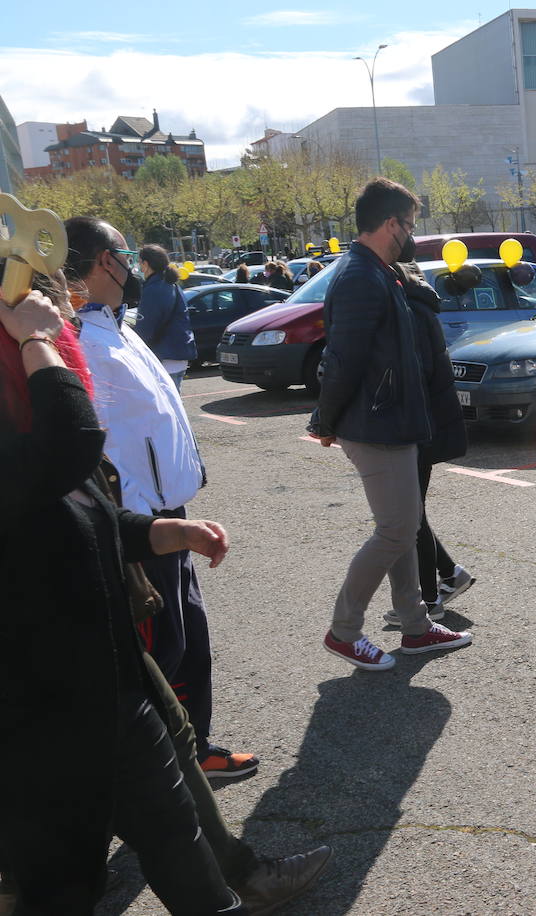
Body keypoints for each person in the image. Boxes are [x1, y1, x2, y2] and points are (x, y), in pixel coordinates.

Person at [0, 277, 248, 914]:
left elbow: (81, 514)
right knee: (60, 890)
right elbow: (67, 447)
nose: (59, 313)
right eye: (36, 300)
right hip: (35, 711)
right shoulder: (32, 415)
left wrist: (167, 532)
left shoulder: (28, 412)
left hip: (107, 687)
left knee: (183, 850)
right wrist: (35, 341)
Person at [65, 217, 258, 780]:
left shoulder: (114, 326)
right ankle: (142, 778)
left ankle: (192, 755)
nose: (133, 266)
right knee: (159, 651)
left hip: (168, 512)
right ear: (106, 261)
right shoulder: (77, 336)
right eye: (125, 254)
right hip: (139, 523)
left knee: (188, 638)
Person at [312, 177, 472, 670]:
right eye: (408, 224)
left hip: (391, 421)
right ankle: (344, 631)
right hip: (376, 425)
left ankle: (416, 628)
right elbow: (342, 359)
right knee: (397, 530)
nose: (411, 234)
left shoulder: (380, 271)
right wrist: (325, 420)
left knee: (401, 527)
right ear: (389, 224)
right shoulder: (361, 276)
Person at [382, 260, 475, 627]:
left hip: (418, 427)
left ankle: (431, 599)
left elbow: (411, 376)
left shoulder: (409, 312)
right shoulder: (418, 306)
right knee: (413, 512)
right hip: (425, 425)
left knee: (409, 515)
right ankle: (450, 574)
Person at [133, 244, 198, 389]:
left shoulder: (154, 288)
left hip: (164, 356)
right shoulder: (170, 284)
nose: (139, 267)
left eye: (140, 262)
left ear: (146, 264)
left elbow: (146, 327)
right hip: (177, 354)